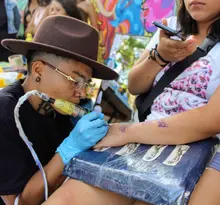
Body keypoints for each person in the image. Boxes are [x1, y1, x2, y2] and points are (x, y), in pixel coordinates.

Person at [41, 0, 220, 205]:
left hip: (199, 150)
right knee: (65, 199)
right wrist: (160, 56)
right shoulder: (170, 27)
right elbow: (135, 86)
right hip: (141, 142)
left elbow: (212, 119)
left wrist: (126, 132)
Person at [0, 15, 118, 205]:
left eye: (86, 83)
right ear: (38, 71)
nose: (81, 93)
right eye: (75, 81)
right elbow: (20, 202)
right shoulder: (6, 114)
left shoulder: (60, 109)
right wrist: (69, 149)